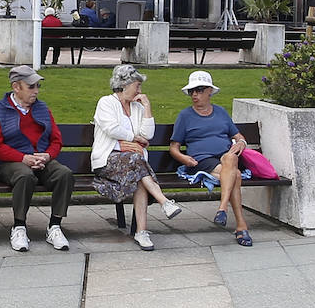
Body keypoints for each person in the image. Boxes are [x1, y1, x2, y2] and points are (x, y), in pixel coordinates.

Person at [91, 65, 182, 251]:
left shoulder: (137, 107)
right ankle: (164, 202)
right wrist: (129, 141)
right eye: (137, 86)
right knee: (136, 161)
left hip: (134, 163)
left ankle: (142, 232)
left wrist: (147, 107)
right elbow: (111, 128)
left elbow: (147, 135)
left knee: (138, 171)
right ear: (124, 85)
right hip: (107, 162)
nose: (140, 91)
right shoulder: (106, 103)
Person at [0, 65, 74, 252]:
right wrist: (23, 158)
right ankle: (19, 227)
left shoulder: (42, 108)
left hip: (41, 160)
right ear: (16, 87)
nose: (36, 91)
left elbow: (56, 140)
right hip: (11, 163)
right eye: (31, 86)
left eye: (37, 86)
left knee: (64, 174)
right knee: (25, 176)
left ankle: (55, 226)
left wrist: (48, 155)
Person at [169, 71, 253, 247]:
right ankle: (240, 225)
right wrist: (184, 158)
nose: (194, 95)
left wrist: (241, 143)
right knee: (235, 175)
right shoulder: (185, 116)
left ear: (209, 91)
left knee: (231, 158)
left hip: (224, 157)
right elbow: (173, 148)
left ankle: (222, 208)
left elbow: (239, 136)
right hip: (201, 161)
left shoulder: (221, 112)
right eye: (192, 91)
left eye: (199, 90)